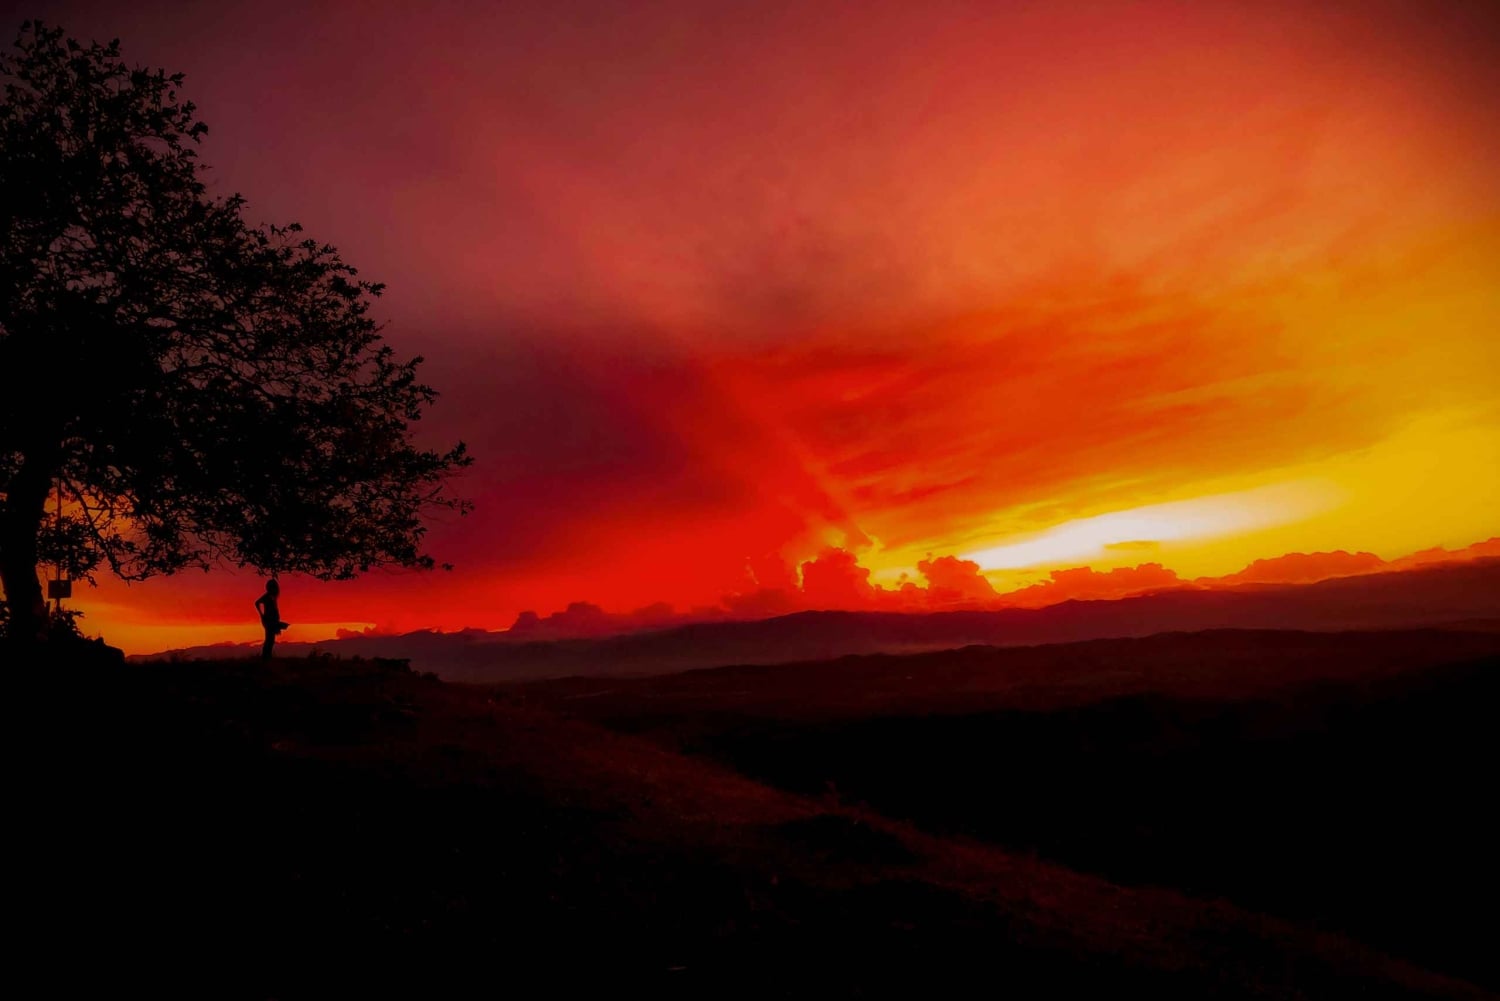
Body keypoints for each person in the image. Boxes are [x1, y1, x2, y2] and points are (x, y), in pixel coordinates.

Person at [254, 577, 290, 660]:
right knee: (269, 639)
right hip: (268, 620)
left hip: (272, 620)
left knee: (271, 639)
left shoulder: (272, 597)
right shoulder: (267, 596)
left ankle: (267, 657)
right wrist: (261, 615)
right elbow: (257, 603)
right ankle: (265, 657)